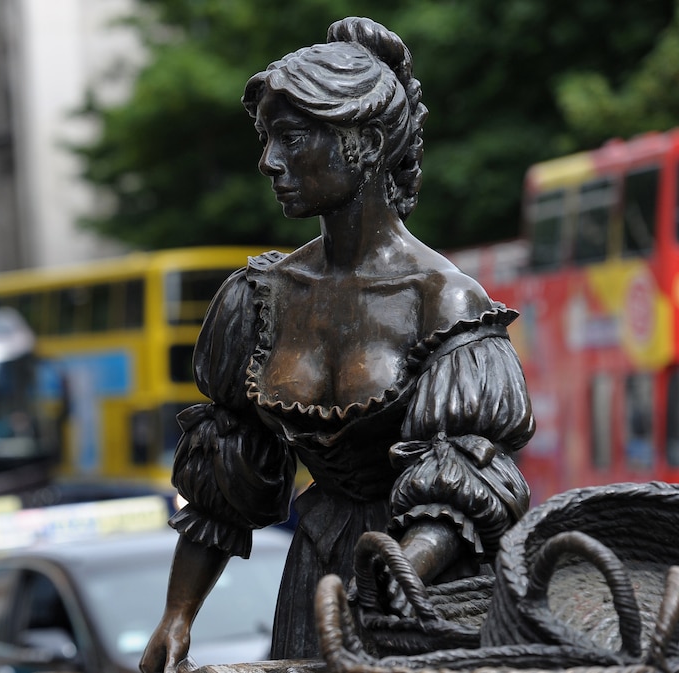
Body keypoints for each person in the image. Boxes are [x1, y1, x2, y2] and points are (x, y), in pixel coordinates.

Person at [140, 16, 535, 672]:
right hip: (315, 575)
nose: (269, 161)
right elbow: (220, 482)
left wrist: (393, 578)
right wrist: (177, 614)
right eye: (267, 138)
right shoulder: (258, 297)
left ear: (366, 142)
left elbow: (468, 482)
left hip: (428, 595)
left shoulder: (442, 302)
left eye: (292, 138)